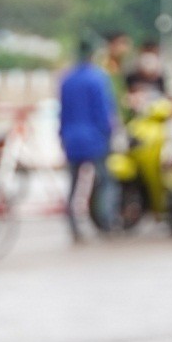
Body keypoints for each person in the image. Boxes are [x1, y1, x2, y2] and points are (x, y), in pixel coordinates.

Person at [58, 38, 118, 240]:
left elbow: (62, 113)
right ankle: (106, 222)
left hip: (71, 137)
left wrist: (61, 136)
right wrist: (111, 132)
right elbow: (103, 112)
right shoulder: (98, 78)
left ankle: (73, 227)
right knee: (106, 182)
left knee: (74, 185)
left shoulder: (66, 79)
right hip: (95, 137)